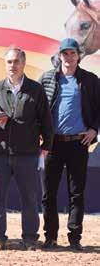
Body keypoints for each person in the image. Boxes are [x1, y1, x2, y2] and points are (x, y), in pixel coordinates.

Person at [0, 46, 53, 251]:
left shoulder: (35, 90)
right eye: (9, 62)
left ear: (23, 63)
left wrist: (46, 146)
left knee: (29, 198)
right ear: (5, 64)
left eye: (16, 61)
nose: (13, 66)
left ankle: (29, 239)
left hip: (27, 154)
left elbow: (46, 120)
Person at [39, 38, 99, 251]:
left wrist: (94, 129)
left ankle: (75, 238)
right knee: (49, 194)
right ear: (60, 56)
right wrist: (40, 135)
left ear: (79, 56)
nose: (69, 57)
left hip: (78, 144)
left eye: (72, 53)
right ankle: (50, 238)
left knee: (77, 194)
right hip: (53, 144)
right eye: (65, 53)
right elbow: (38, 110)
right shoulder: (47, 79)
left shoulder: (90, 80)